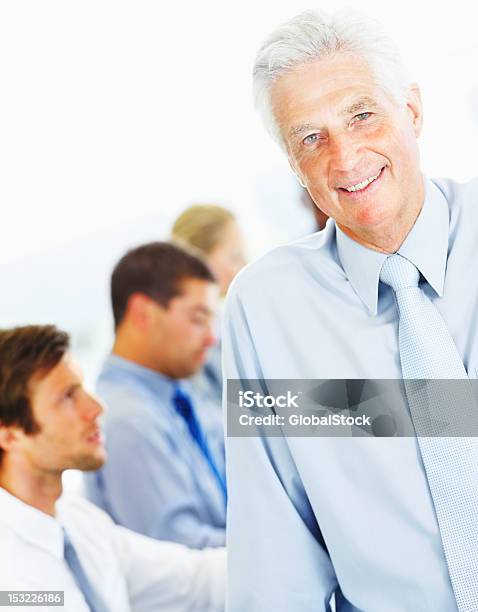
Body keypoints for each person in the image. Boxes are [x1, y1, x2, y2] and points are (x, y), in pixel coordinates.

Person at [223, 9, 478, 612]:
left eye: (362, 115)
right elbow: (273, 550)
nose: (345, 157)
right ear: (292, 162)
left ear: (412, 111)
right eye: (310, 137)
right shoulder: (265, 310)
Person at [0, 325, 226, 612]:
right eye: (68, 396)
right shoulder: (9, 576)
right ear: (8, 434)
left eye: (83, 388)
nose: (96, 407)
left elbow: (198, 582)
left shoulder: (81, 524)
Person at [85, 242, 227, 549]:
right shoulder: (128, 421)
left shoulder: (181, 393)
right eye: (197, 318)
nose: (210, 337)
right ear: (143, 313)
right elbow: (179, 549)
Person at [172, 205, 247, 404]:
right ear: (198, 260)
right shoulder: (190, 336)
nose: (245, 264)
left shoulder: (219, 318)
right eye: (235, 256)